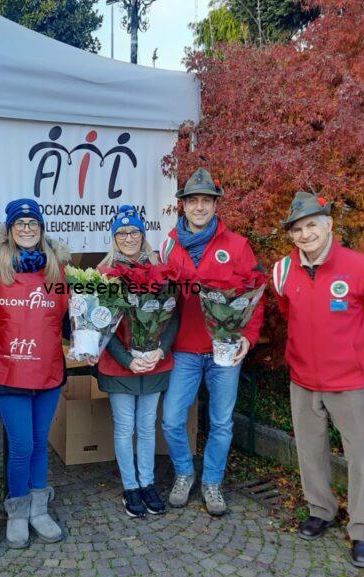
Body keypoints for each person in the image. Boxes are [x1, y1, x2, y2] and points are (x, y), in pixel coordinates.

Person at [272, 191, 364, 569]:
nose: (305, 234)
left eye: (311, 225)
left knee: (360, 458)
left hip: (349, 382)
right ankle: (321, 509)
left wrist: (356, 354)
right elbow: (285, 311)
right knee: (310, 451)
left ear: (328, 226)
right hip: (303, 378)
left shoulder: (360, 268)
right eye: (297, 229)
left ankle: (363, 531)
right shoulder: (284, 271)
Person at [158, 168, 265, 516]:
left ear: (215, 205)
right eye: (193, 201)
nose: (199, 207)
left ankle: (212, 482)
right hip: (185, 349)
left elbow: (255, 294)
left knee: (221, 422)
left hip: (225, 350)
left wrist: (248, 336)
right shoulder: (169, 245)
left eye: (206, 201)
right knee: (173, 420)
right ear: (183, 206)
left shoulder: (237, 245)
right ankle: (185, 474)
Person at [0, 199, 69, 550]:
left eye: (33, 223)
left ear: (42, 228)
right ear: (10, 228)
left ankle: (38, 509)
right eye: (21, 223)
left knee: (40, 442)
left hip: (46, 368)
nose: (27, 228)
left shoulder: (56, 268)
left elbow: (68, 316)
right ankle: (17, 511)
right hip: (8, 369)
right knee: (21, 444)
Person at [97, 205, 178, 518]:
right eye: (122, 232)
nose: (128, 237)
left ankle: (147, 482)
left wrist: (161, 350)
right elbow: (99, 324)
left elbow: (174, 315)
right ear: (114, 238)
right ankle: (130, 486)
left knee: (146, 427)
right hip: (121, 366)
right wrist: (127, 359)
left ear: (143, 235)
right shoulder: (104, 276)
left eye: (134, 232)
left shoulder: (161, 272)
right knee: (124, 426)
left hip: (154, 363)